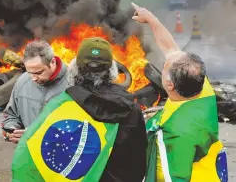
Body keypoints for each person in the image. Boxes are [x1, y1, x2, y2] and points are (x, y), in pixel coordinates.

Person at [11, 37, 147, 182]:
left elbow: (36, 153)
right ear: (112, 70)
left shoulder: (60, 105)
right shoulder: (131, 109)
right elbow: (138, 162)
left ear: (75, 69)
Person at [131, 2, 228, 182]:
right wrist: (151, 19)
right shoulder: (203, 90)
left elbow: (174, 177)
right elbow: (170, 49)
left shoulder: (174, 132)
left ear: (169, 85)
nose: (165, 61)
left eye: (164, 67)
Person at [1, 40, 69, 144]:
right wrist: (12, 130)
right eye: (29, 72)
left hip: (63, 154)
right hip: (29, 154)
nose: (33, 78)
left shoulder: (72, 83)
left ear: (52, 62)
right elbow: (11, 115)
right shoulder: (22, 82)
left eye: (38, 72)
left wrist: (40, 135)